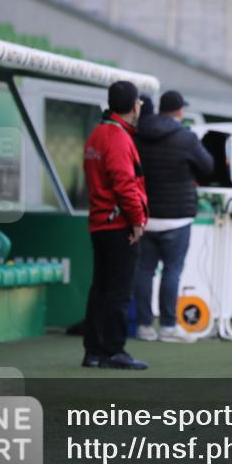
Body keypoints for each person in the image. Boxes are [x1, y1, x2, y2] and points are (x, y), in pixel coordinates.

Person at [134, 90, 215, 343]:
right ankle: (168, 326)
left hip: (145, 214)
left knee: (144, 271)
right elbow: (208, 167)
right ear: (180, 111)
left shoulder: (139, 134)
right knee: (172, 271)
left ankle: (144, 326)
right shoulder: (186, 137)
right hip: (177, 216)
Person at [81, 81, 149, 369]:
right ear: (134, 105)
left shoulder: (98, 133)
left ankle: (94, 351)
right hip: (118, 224)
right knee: (119, 291)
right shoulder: (118, 138)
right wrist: (136, 221)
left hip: (100, 222)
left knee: (101, 289)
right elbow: (124, 185)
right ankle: (114, 350)